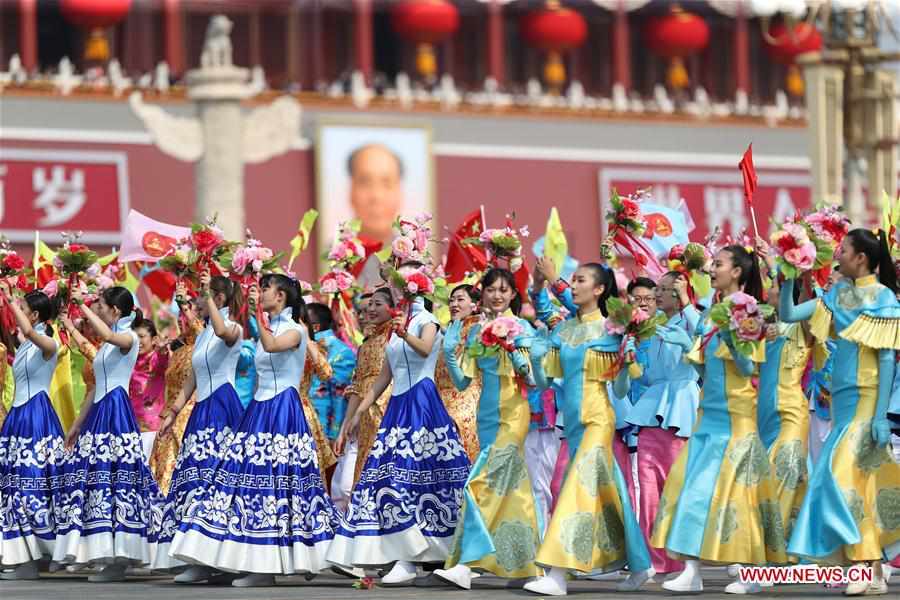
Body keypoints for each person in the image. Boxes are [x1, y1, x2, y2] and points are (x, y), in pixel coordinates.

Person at [170, 274, 338, 587]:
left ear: (283, 296)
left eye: (265, 289)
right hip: (260, 410)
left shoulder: (295, 330)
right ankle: (223, 559)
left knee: (274, 486)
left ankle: (268, 566)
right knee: (237, 484)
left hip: (283, 412)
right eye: (259, 289)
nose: (261, 293)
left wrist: (254, 316)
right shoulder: (268, 328)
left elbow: (273, 347)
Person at [650, 245, 787, 594]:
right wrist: (686, 345)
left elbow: (747, 368)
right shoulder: (711, 312)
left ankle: (750, 574)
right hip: (707, 416)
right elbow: (703, 363)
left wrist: (734, 335)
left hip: (735, 418)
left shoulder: (749, 309)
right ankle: (691, 571)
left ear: (738, 271)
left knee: (737, 498)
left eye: (719, 264)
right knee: (691, 489)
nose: (712, 269)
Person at [779, 229, 900, 596]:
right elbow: (789, 313)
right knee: (857, 487)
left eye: (844, 249)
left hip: (866, 400)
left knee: (839, 477)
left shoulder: (883, 298)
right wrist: (787, 277)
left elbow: (886, 361)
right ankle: (873, 570)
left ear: (861, 257)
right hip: (843, 404)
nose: (838, 254)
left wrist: (881, 416)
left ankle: (862, 568)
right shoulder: (838, 293)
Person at [524, 263, 653, 596]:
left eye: (581, 280)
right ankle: (640, 563)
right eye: (574, 279)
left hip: (598, 419)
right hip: (575, 424)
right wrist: (536, 362)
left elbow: (624, 389)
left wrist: (626, 360)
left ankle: (556, 573)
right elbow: (545, 383)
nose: (574, 285)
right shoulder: (564, 330)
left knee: (575, 490)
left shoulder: (612, 329)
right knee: (611, 491)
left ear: (598, 290)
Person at [327, 286, 469, 585]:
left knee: (423, 478)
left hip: (422, 404)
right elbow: (381, 380)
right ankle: (403, 556)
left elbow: (426, 349)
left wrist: (404, 334)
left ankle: (440, 553)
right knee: (388, 478)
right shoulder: (395, 331)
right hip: (398, 408)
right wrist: (357, 414)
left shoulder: (427, 321)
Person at [434, 268, 542, 589]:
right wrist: (451, 352)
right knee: (512, 489)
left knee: (480, 484)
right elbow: (463, 381)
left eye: (504, 290)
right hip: (486, 416)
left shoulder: (522, 327)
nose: (497, 295)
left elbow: (535, 379)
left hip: (513, 414)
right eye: (491, 289)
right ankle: (523, 566)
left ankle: (467, 565)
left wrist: (523, 362)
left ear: (513, 295)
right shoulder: (475, 331)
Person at [52, 286, 161, 582]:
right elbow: (96, 385)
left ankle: (121, 556)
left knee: (114, 478)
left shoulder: (127, 337)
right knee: (95, 478)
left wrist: (81, 306)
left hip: (115, 414)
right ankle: (102, 551)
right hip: (100, 410)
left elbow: (110, 336)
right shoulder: (108, 345)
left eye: (100, 304)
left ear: (115, 311)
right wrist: (76, 424)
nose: (96, 307)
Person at [151, 273, 245, 575]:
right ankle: (197, 557)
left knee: (214, 480)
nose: (198, 303)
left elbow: (223, 332)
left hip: (223, 408)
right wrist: (173, 411)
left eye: (203, 297)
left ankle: (217, 557)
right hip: (203, 410)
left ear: (218, 299)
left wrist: (208, 295)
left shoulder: (233, 328)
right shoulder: (204, 332)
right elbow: (193, 376)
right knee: (194, 479)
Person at [626, 271, 701, 577]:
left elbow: (703, 340)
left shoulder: (691, 319)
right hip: (651, 408)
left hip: (680, 406)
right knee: (648, 489)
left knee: (676, 486)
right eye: (659, 288)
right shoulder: (654, 327)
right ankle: (652, 559)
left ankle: (682, 559)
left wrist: (687, 302)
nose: (659, 294)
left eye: (668, 289)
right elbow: (645, 373)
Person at [0, 287, 62, 579]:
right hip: (18, 417)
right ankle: (22, 555)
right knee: (12, 485)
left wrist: (10, 301)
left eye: (24, 309)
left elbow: (30, 332)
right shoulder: (24, 345)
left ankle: (33, 557)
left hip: (36, 419)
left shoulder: (49, 343)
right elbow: (20, 333)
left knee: (31, 484)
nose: (18, 314)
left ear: (35, 315)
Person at [148, 295, 204, 495]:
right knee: (162, 467)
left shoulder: (204, 345)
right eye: (180, 315)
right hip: (170, 413)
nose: (182, 319)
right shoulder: (180, 350)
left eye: (187, 314)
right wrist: (163, 355)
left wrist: (183, 303)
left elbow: (199, 331)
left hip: (189, 415)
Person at [341, 289, 393, 486]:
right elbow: (358, 384)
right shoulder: (366, 345)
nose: (370, 309)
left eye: (377, 304)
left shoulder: (398, 337)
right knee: (362, 475)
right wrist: (347, 423)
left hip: (389, 411)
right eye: (369, 304)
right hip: (365, 416)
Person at [435, 284, 482, 462]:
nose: (454, 304)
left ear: (475, 305)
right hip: (441, 402)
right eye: (451, 300)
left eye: (460, 299)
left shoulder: (477, 329)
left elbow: (467, 375)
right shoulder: (451, 330)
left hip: (467, 402)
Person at [306, 302, 356, 442]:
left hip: (322, 426)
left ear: (315, 327)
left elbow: (340, 397)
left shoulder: (341, 352)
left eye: (303, 321)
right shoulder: (300, 345)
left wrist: (335, 435)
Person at [348, 143, 405, 248]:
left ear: (399, 192)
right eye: (365, 183)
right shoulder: (331, 256)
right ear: (351, 190)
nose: (377, 196)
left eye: (387, 184)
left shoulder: (415, 260)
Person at [129, 317, 169, 459]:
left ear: (153, 340)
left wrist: (163, 352)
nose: (137, 341)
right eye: (134, 337)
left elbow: (163, 362)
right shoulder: (129, 360)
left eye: (141, 336)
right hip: (129, 424)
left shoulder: (156, 358)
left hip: (151, 427)